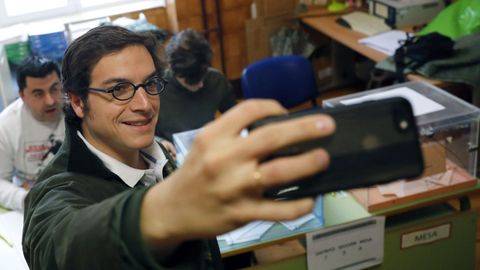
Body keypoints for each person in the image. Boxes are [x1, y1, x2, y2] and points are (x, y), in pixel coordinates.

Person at [23, 25, 335, 269]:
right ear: (78, 102)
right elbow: (60, 249)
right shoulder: (56, 190)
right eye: (119, 89)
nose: (144, 104)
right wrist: (162, 210)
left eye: (149, 84)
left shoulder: (156, 155)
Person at [155, 28, 237, 153]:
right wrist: (160, 142)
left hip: (210, 150)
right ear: (172, 68)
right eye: (190, 80)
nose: (200, 85)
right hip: (174, 156)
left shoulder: (216, 80)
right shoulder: (156, 89)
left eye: (202, 75)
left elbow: (235, 117)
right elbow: (140, 133)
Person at [0, 56, 64, 211]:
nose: (50, 101)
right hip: (35, 201)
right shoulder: (6, 126)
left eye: (54, 89)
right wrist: (27, 200)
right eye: (38, 94)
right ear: (22, 95)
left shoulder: (79, 110)